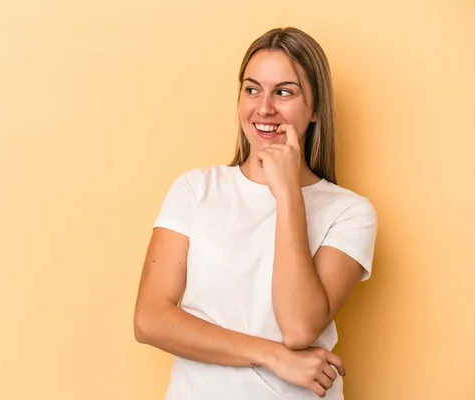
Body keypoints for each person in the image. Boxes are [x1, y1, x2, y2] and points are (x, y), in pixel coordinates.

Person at [133, 26, 378, 400]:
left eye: (284, 92)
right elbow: (150, 320)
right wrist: (274, 356)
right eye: (252, 89)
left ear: (314, 111)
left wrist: (288, 195)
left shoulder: (349, 212)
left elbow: (298, 328)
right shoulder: (196, 190)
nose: (264, 108)